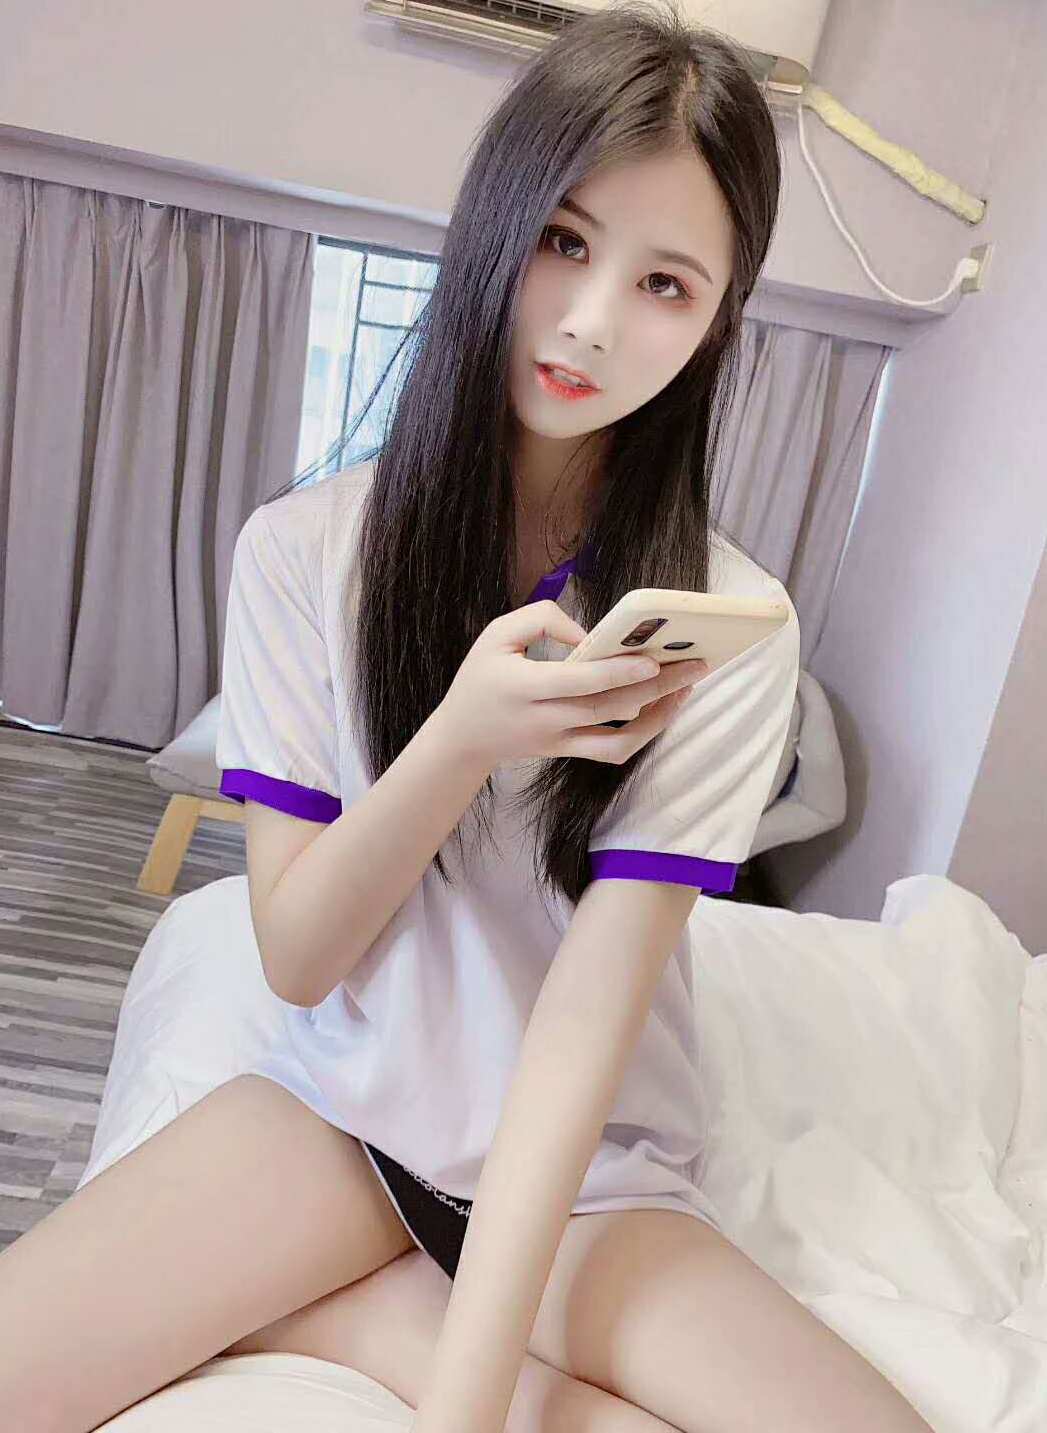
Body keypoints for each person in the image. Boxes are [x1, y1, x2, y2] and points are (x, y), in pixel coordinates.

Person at [0, 4, 935, 1432]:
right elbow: (298, 955)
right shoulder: (305, 552)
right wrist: (462, 737)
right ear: (495, 224)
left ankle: (368, 1314)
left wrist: (467, 1405)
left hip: (591, 1176)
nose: (590, 320)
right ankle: (366, 1302)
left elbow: (577, 1039)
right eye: (562, 240)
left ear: (717, 321)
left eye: (665, 283)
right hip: (335, 1117)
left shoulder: (728, 623)